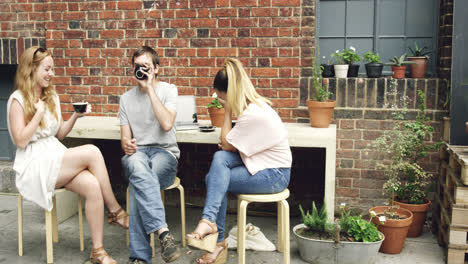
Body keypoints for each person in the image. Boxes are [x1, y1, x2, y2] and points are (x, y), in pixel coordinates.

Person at [7, 46, 128, 264]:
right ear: (31, 69)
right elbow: (21, 140)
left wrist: (75, 116)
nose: (51, 74)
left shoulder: (52, 95)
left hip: (55, 155)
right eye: (46, 69)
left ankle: (98, 252)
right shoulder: (18, 100)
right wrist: (38, 114)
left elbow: (60, 133)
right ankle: (116, 211)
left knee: (92, 184)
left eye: (52, 69)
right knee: (92, 151)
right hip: (34, 163)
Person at [186, 58, 292, 264]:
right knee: (219, 161)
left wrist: (226, 110)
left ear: (229, 93)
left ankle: (216, 238)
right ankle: (210, 225)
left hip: (275, 175)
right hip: (261, 165)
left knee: (214, 178)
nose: (217, 98)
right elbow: (225, 149)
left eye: (219, 94)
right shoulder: (252, 107)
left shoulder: (252, 114)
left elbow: (225, 143)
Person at [120, 46, 181, 264]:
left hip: (164, 153)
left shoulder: (169, 90)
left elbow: (166, 124)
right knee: (137, 167)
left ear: (156, 69)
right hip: (138, 154)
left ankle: (139, 257)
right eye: (138, 67)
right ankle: (164, 233)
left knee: (140, 182)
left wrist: (149, 90)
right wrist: (127, 146)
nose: (142, 71)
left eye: (146, 67)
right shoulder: (125, 99)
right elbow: (125, 140)